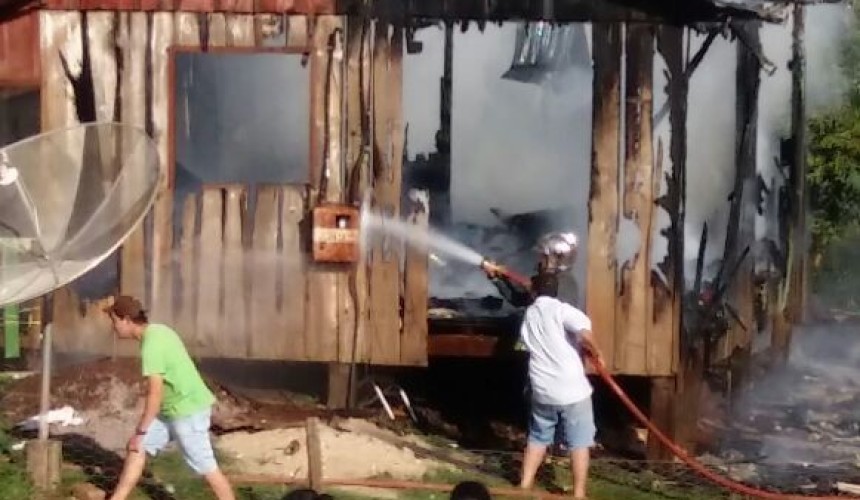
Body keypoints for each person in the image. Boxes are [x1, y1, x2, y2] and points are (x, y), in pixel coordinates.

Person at [104, 295, 235, 500]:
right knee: (137, 447)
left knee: (207, 468)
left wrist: (140, 430)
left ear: (126, 320)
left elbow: (155, 395)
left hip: (187, 411)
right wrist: (140, 436)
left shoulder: (151, 346)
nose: (114, 327)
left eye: (115, 321)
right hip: (171, 409)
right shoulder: (159, 331)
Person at [517, 273, 603, 499]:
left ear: (534, 292)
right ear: (557, 290)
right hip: (571, 390)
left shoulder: (529, 315)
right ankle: (579, 493)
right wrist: (598, 353)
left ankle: (524, 486)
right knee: (579, 442)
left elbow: (527, 343)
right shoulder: (562, 310)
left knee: (537, 437)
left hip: (542, 390)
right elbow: (584, 334)